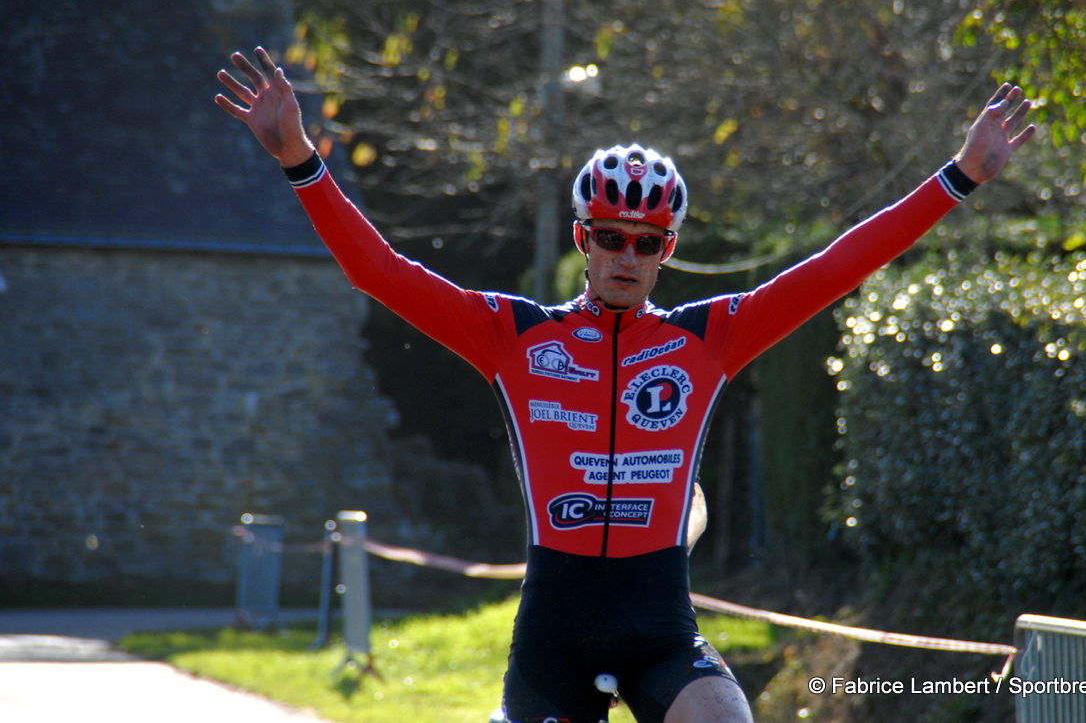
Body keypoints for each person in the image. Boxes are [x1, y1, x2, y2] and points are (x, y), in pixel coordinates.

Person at [216, 47, 1034, 723]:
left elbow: (837, 268)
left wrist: (959, 176)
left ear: (667, 248)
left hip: (658, 627)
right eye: (609, 236)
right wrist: (299, 158)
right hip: (554, 635)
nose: (626, 256)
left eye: (647, 242)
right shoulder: (516, 335)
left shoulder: (706, 339)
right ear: (582, 237)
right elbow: (378, 271)